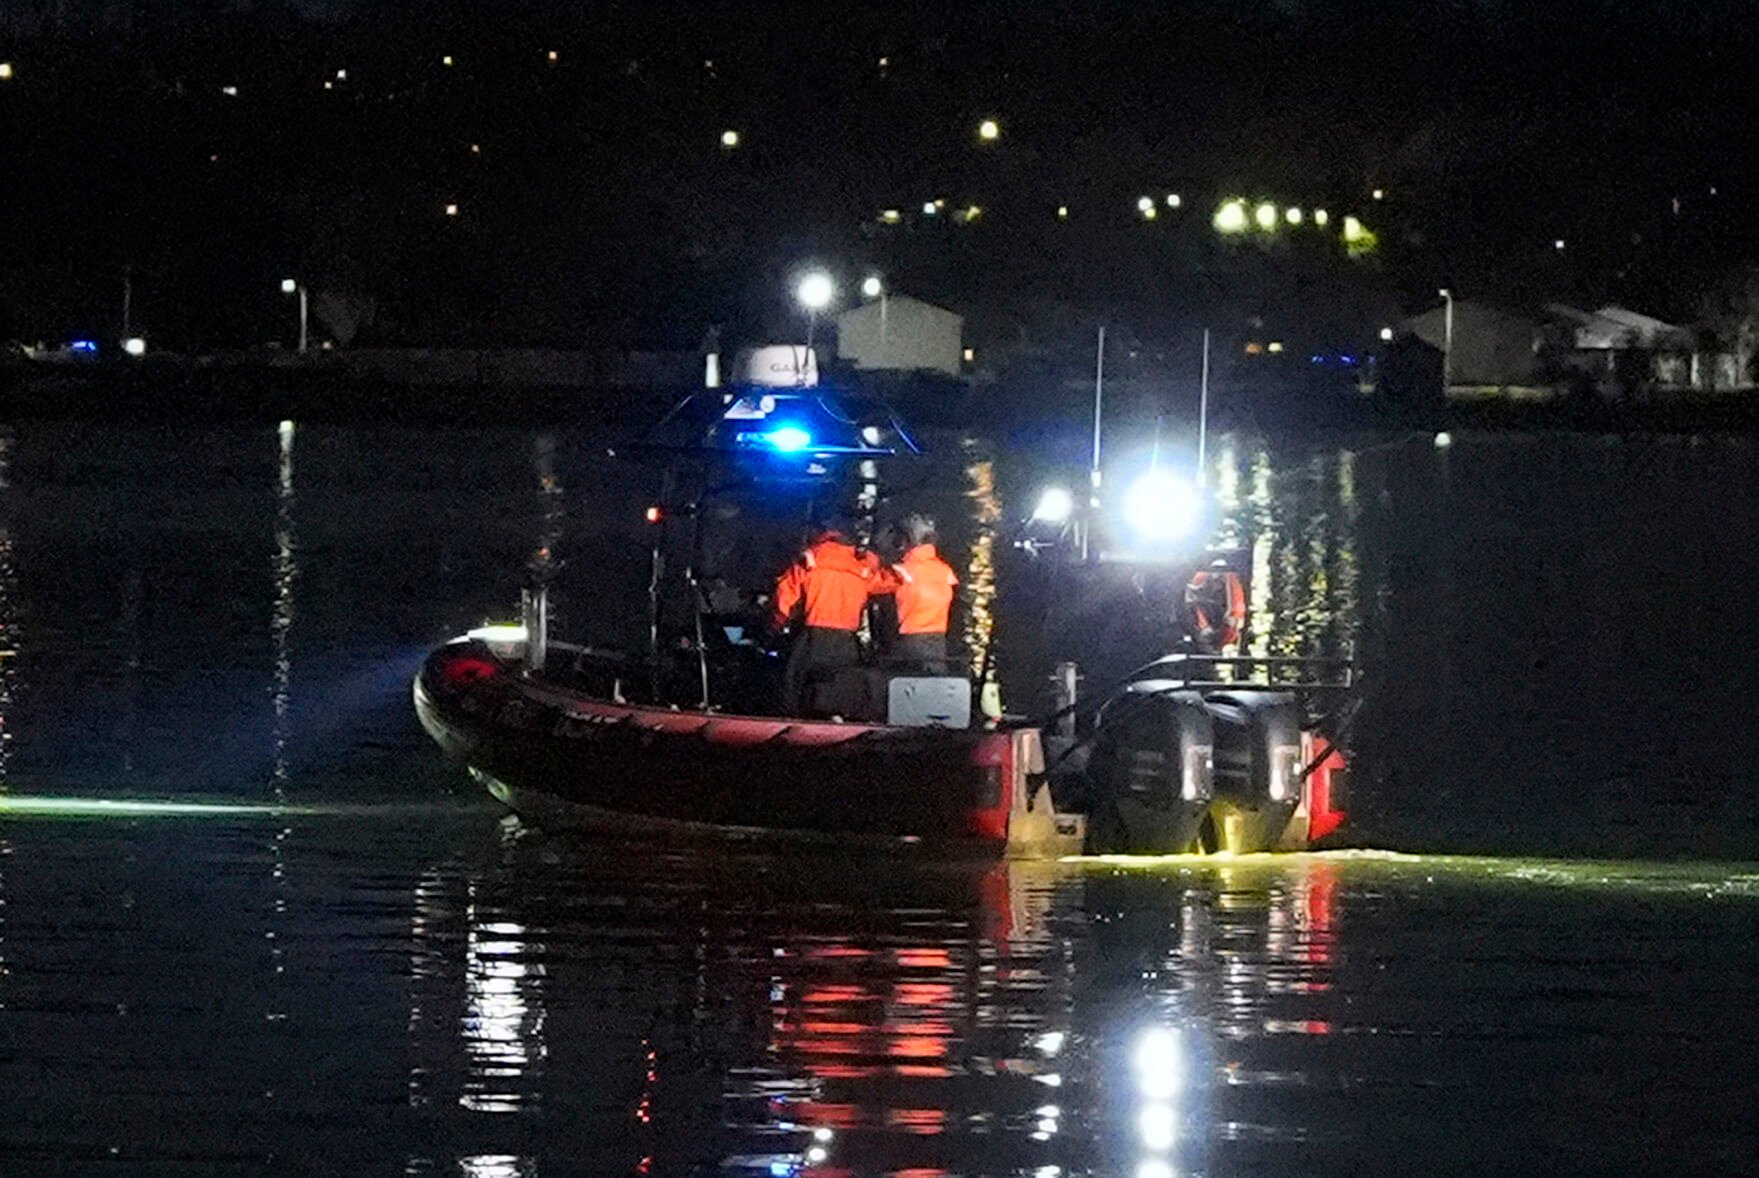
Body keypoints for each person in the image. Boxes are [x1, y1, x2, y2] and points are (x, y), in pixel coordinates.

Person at [771, 515, 877, 715]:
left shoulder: (809, 559)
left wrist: (776, 626)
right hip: (847, 640)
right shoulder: (863, 565)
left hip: (813, 636)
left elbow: (784, 599)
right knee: (842, 689)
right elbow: (881, 586)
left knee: (795, 686)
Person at [874, 512, 958, 674]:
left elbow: (872, 585)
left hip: (911, 641)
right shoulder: (944, 570)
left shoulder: (903, 571)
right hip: (938, 640)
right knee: (934, 684)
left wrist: (876, 553)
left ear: (907, 541)